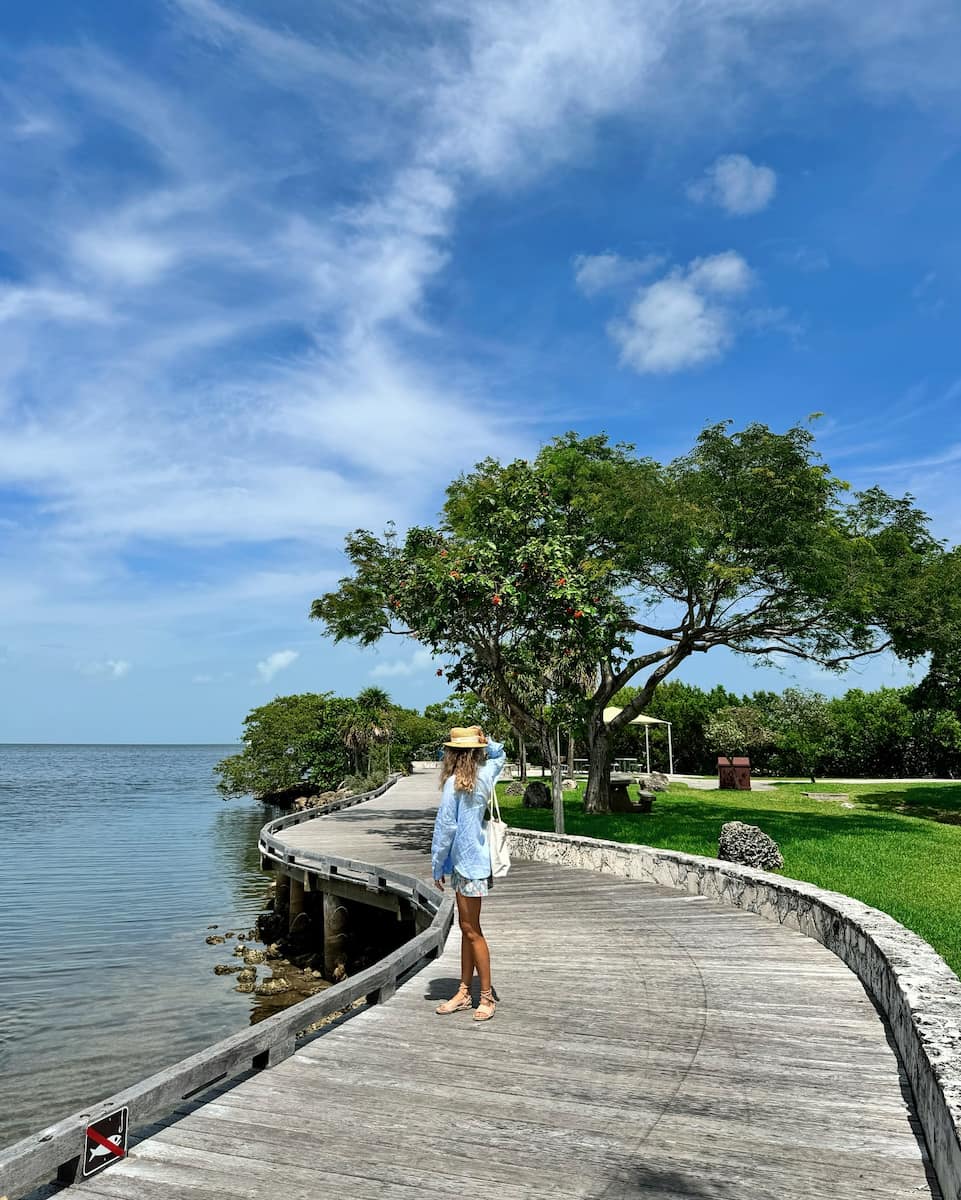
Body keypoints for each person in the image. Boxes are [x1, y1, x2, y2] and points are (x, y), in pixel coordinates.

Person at [430, 725, 506, 1022]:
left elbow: (445, 829)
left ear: (452, 754)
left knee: (472, 931)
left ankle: (485, 997)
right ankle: (464, 992)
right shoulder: (486, 774)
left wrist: (437, 865)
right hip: (476, 863)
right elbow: (500, 754)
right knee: (467, 928)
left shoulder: (453, 785)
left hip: (467, 866)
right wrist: (485, 738)